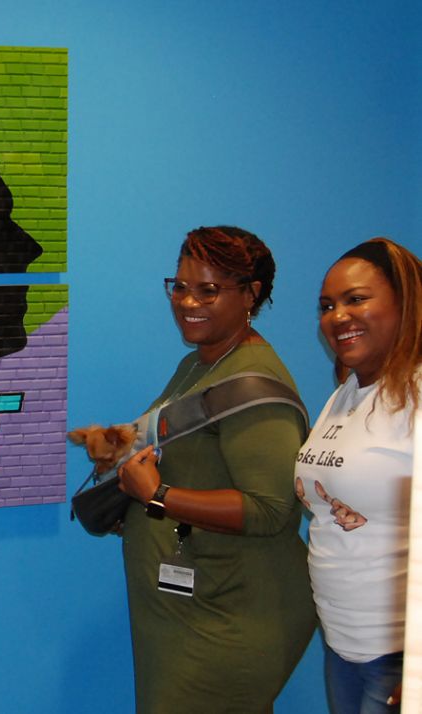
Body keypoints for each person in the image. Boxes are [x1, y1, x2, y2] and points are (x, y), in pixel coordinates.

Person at [117, 226, 316, 712]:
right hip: (186, 609)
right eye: (180, 286)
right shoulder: (199, 363)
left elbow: (270, 509)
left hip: (230, 616)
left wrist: (158, 496)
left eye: (208, 289)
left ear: (251, 294)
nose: (187, 301)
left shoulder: (254, 383)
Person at [294, 237, 422, 713]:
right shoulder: (347, 392)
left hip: (400, 655)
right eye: (327, 305)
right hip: (343, 646)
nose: (337, 316)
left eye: (356, 299)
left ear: (405, 303)